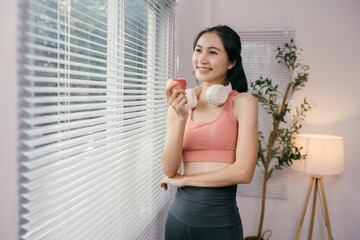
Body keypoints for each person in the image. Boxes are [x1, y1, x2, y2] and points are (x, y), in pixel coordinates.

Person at [160, 25, 258, 240]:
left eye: (212, 52)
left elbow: (244, 172)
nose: (202, 59)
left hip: (221, 224)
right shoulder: (180, 103)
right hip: (177, 220)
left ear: (231, 62)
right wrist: (180, 117)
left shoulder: (243, 103)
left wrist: (185, 180)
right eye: (198, 50)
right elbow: (168, 168)